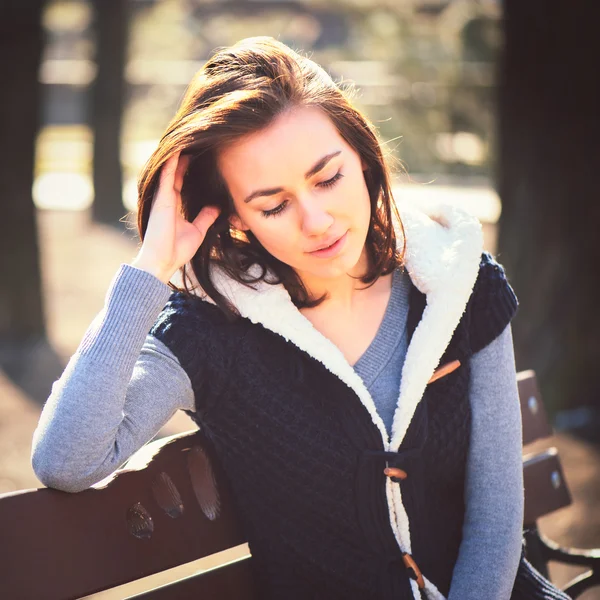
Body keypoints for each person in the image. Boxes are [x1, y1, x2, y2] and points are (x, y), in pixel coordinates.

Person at [31, 36, 571, 600]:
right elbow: (67, 459)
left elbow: (496, 519)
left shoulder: (459, 281)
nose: (316, 221)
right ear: (237, 218)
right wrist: (152, 267)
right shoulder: (205, 334)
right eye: (273, 205)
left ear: (362, 157)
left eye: (328, 177)